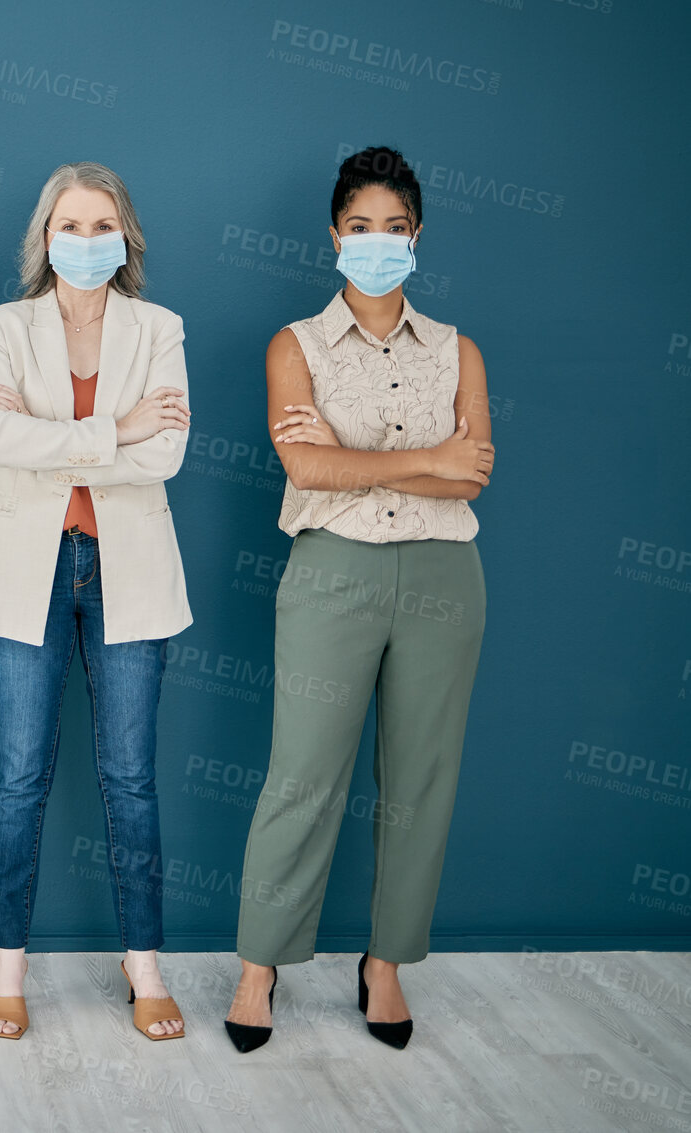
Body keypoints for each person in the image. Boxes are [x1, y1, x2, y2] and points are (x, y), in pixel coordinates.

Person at [223, 146, 493, 1054]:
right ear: (332, 236)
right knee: (301, 774)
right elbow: (304, 466)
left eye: (393, 228)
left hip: (443, 579)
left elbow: (473, 478)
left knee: (421, 781)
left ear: (417, 238)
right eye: (359, 227)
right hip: (330, 570)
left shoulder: (459, 350)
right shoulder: (291, 345)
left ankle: (384, 965)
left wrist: (359, 456)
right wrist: (425, 459)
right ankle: (257, 966)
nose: (376, 242)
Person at [0, 162, 193, 1042]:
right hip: (26, 568)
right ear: (43, 236)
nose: (85, 241)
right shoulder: (2, 325)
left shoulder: (159, 327)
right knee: (18, 778)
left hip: (128, 568)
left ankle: (144, 968)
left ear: (124, 237)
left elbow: (164, 454)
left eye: (102, 226)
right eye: (69, 224)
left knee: (129, 778)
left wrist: (53, 440)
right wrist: (114, 429)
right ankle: (7, 970)